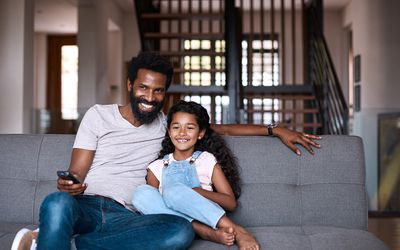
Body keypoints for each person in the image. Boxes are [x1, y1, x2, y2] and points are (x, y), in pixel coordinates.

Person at [11, 51, 321, 250]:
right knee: (56, 202)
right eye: (143, 88)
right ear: (130, 85)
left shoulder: (168, 126)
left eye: (158, 91)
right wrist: (71, 182)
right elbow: (77, 169)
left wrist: (275, 130)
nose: (150, 96)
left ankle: (65, 244)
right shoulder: (98, 115)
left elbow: (222, 128)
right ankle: (58, 236)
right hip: (88, 205)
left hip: (131, 215)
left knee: (178, 233)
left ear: (165, 94)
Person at [132, 100, 260, 250]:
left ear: (200, 133)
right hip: (176, 226)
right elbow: (154, 208)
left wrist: (197, 192)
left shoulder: (206, 159)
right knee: (140, 194)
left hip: (208, 218)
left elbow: (230, 203)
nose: (182, 133)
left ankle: (236, 230)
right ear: (168, 131)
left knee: (173, 191)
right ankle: (205, 232)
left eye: (190, 128)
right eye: (176, 127)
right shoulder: (156, 167)